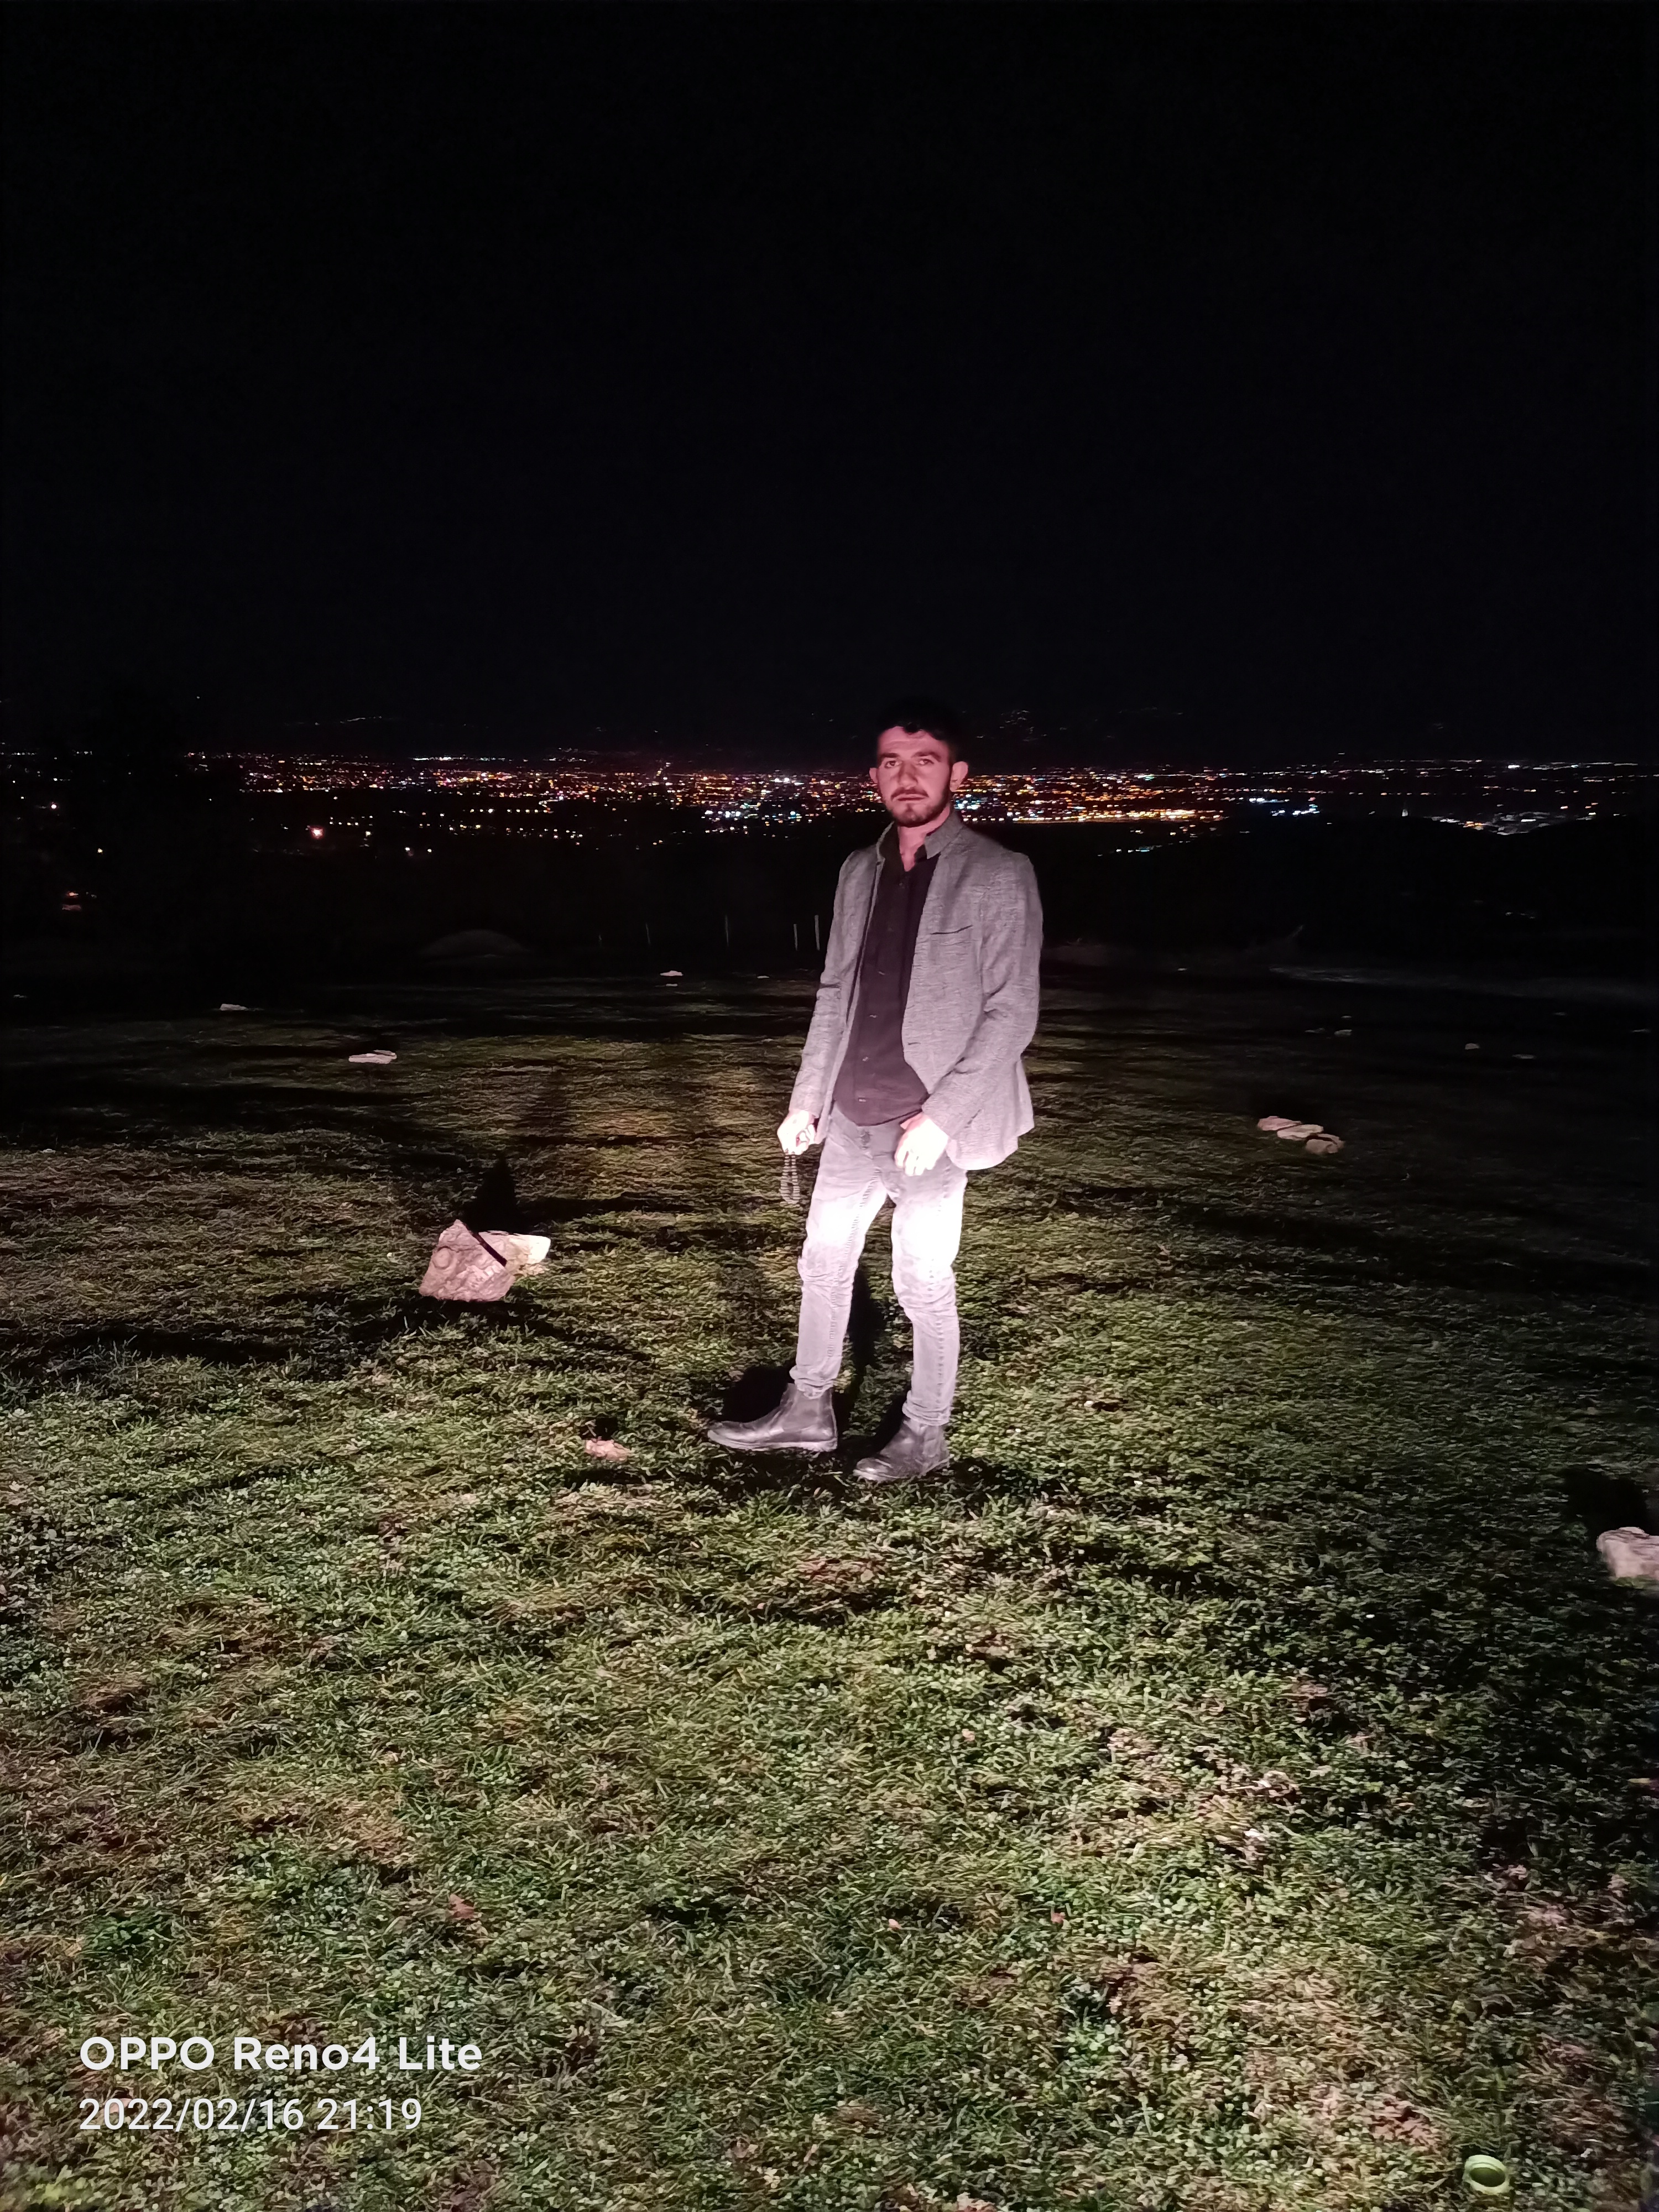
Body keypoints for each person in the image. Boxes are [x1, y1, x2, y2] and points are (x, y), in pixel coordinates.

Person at [707, 698, 1042, 1485]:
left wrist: (942, 1117)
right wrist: (807, 1098)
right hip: (853, 1114)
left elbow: (1012, 1011)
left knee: (921, 1280)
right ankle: (807, 1410)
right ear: (874, 776)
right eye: (893, 762)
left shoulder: (997, 872)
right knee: (822, 1262)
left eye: (926, 761)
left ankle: (926, 1432)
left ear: (957, 774)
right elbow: (836, 991)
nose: (908, 777)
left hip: (930, 1125)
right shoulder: (859, 869)